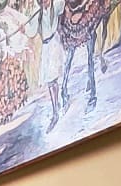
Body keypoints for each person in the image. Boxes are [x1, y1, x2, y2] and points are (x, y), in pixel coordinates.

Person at [34, 0, 67, 128]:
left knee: (53, 79)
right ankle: (56, 105)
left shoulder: (56, 5)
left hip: (54, 43)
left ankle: (55, 111)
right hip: (46, 48)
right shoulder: (38, 13)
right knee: (49, 81)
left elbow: (63, 5)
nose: (44, 2)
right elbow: (31, 31)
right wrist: (23, 29)